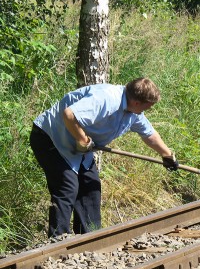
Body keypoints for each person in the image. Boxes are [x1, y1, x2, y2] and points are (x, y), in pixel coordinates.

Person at [29, 77, 178, 237]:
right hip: (51, 138)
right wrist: (83, 140)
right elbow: (69, 114)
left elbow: (149, 135)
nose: (147, 110)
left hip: (77, 147)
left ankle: (89, 237)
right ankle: (58, 241)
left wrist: (167, 155)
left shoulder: (132, 112)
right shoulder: (107, 99)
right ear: (136, 103)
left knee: (90, 186)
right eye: (147, 107)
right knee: (67, 187)